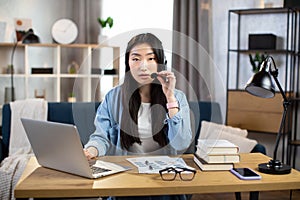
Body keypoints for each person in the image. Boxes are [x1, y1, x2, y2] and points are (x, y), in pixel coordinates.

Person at [84, 33, 192, 200]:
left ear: (160, 63)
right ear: (128, 63)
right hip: (125, 182)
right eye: (136, 59)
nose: (143, 66)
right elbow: (101, 137)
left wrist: (170, 98)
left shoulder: (178, 98)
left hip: (164, 184)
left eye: (151, 59)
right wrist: (91, 150)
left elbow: (181, 143)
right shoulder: (113, 97)